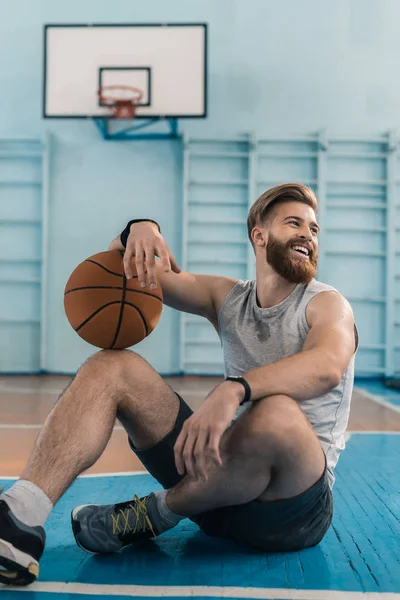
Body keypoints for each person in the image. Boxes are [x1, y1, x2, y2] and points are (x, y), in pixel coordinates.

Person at [0, 183, 357, 587]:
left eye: (314, 229)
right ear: (260, 235)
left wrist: (235, 389)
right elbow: (129, 267)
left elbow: (327, 366)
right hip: (216, 490)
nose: (308, 236)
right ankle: (19, 517)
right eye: (295, 224)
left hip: (290, 512)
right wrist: (137, 228)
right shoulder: (228, 298)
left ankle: (152, 514)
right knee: (111, 366)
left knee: (277, 411)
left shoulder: (328, 303)